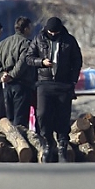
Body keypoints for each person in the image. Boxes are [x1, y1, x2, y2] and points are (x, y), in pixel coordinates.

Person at [26, 17, 82, 163]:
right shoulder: (39, 38)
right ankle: (47, 142)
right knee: (42, 114)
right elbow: (29, 57)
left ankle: (62, 144)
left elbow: (77, 61)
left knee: (63, 116)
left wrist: (73, 81)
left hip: (63, 83)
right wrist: (41, 62)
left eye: (55, 32)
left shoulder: (69, 40)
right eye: (50, 32)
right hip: (44, 82)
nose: (53, 34)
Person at [0, 16, 36, 128]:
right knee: (20, 121)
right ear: (25, 29)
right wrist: (11, 76)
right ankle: (20, 144)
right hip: (22, 85)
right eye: (30, 27)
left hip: (6, 85)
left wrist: (2, 74)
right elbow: (23, 63)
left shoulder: (3, 43)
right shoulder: (26, 43)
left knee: (9, 119)